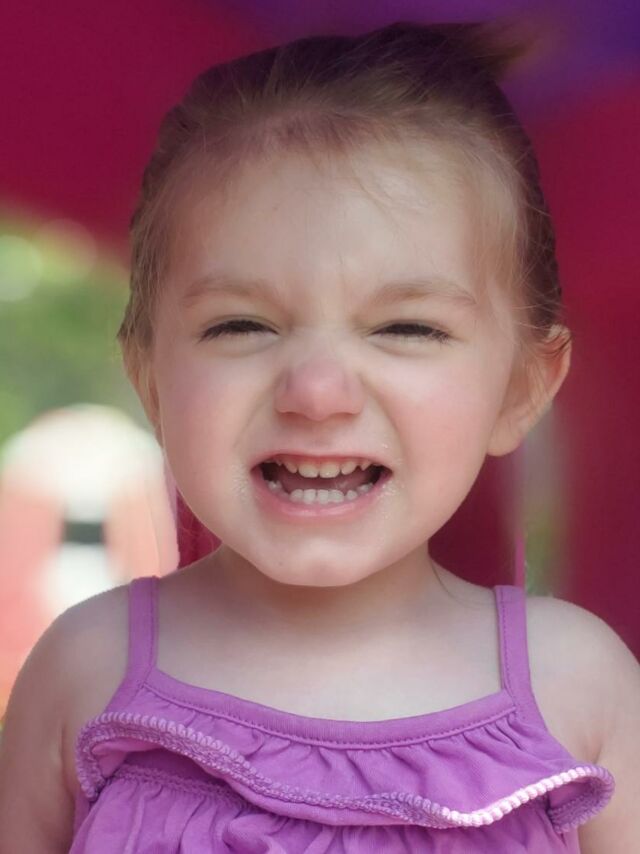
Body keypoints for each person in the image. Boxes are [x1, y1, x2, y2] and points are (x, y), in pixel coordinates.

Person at [1, 19, 638, 853]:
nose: (317, 392)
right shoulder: (84, 673)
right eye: (241, 325)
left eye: (407, 328)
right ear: (150, 377)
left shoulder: (580, 689)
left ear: (521, 388)